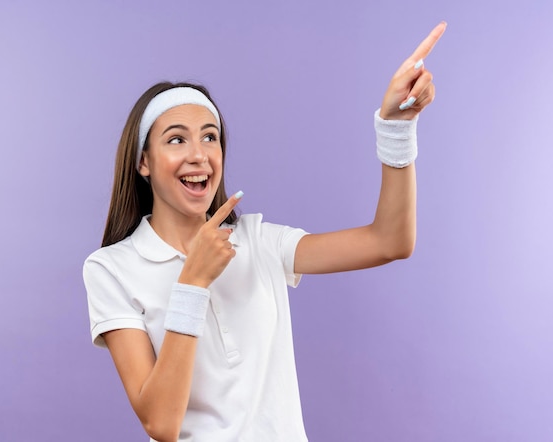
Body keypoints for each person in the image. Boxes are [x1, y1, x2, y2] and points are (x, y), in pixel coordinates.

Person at [83, 22, 447, 442]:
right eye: (176, 140)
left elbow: (390, 242)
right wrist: (193, 282)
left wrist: (395, 129)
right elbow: (161, 424)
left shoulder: (259, 242)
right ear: (143, 162)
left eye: (210, 136)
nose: (198, 154)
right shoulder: (111, 268)